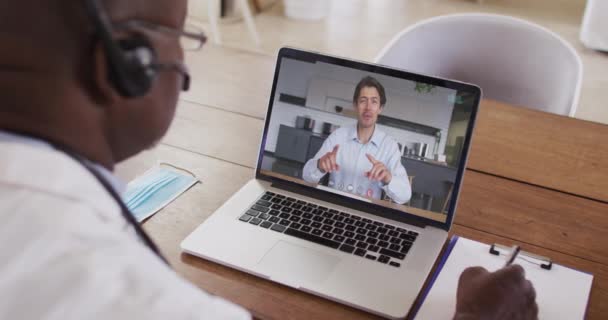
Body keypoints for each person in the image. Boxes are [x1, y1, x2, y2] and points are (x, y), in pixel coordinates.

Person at [0, 1, 537, 319]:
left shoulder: (392, 149)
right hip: (312, 212)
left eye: (375, 101)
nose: (368, 106)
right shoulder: (129, 297)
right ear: (127, 64)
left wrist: (386, 180)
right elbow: (302, 178)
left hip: (382, 229)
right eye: (182, 37)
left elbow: (402, 196)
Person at [302, 76, 412, 204]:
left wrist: (388, 178)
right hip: (333, 207)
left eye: (374, 102)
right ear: (355, 105)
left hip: (366, 215)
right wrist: (320, 165)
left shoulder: (389, 146)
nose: (368, 107)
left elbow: (405, 196)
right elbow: (306, 176)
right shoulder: (338, 136)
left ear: (380, 108)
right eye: (363, 101)